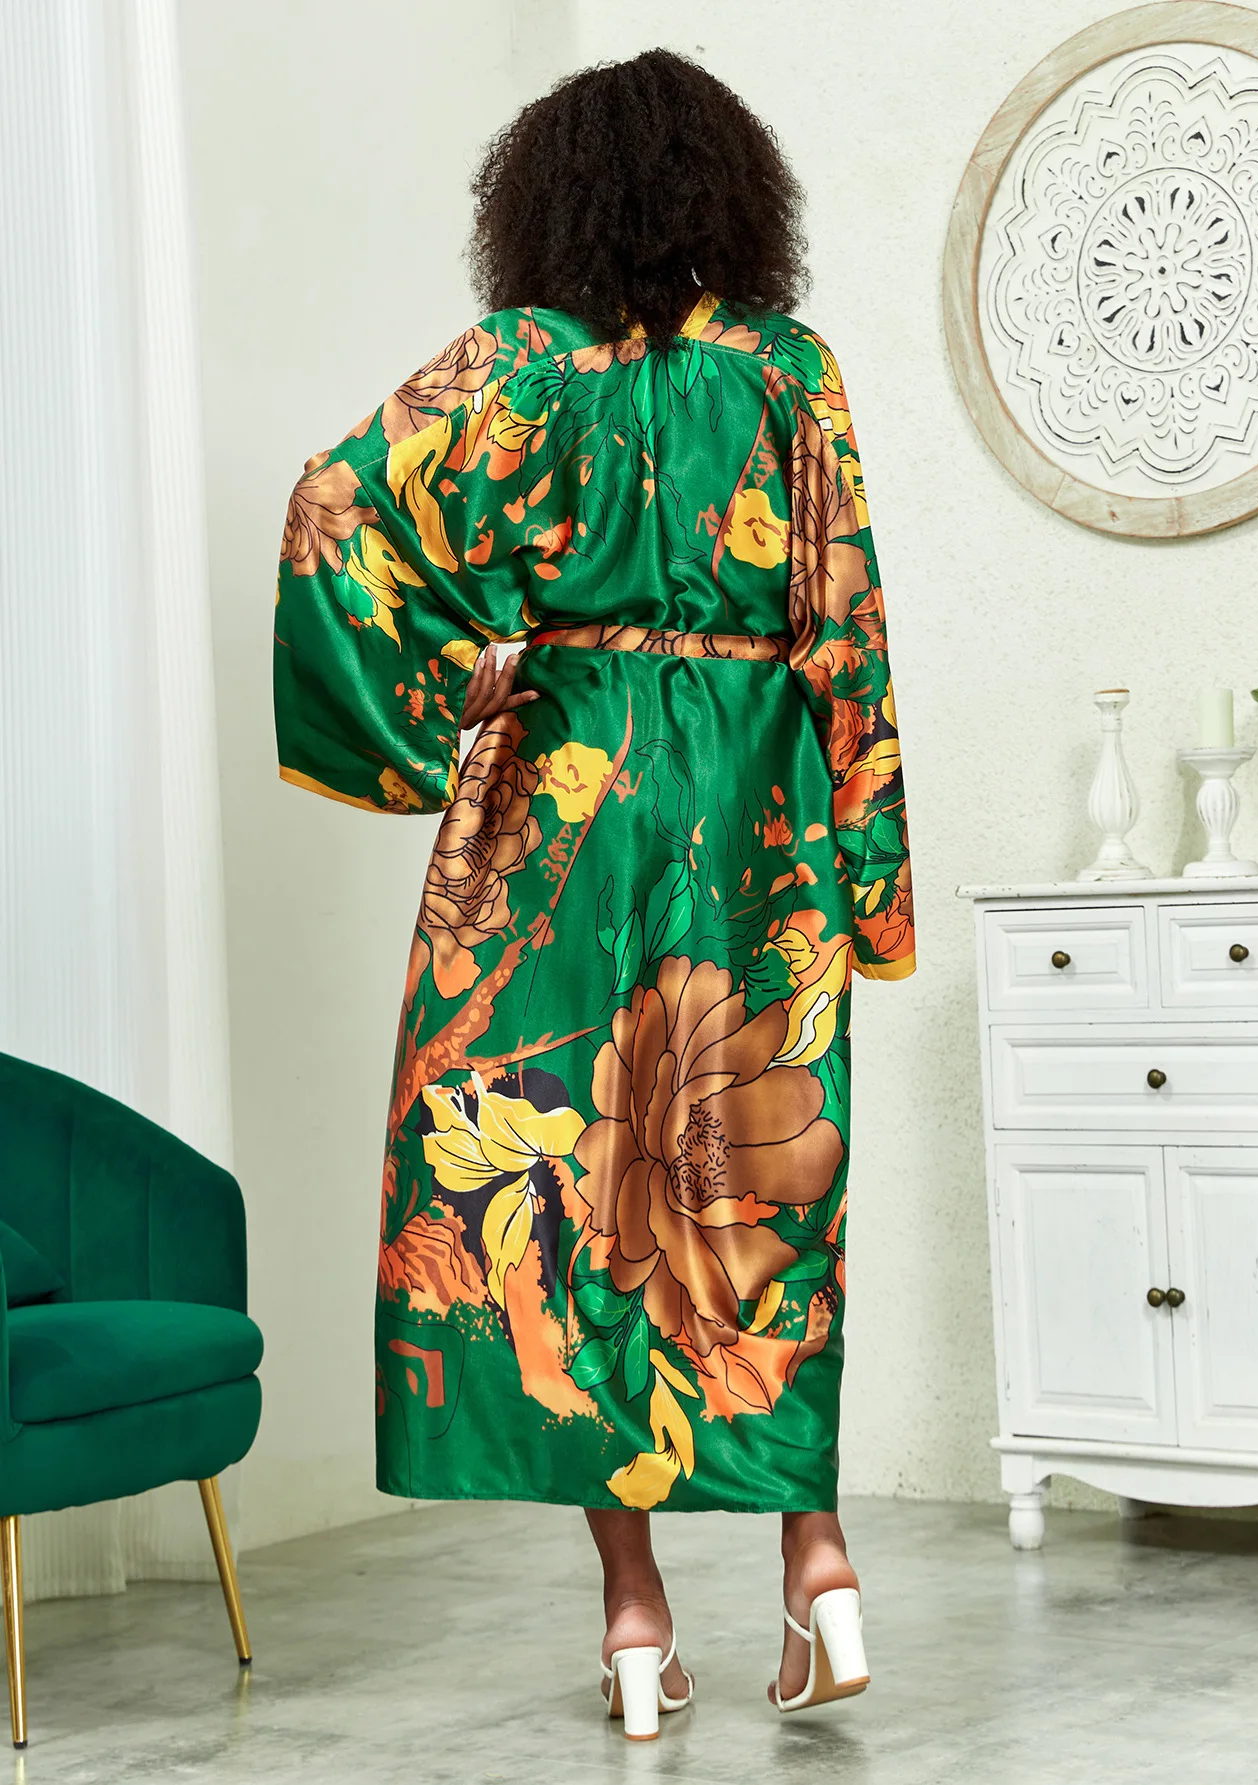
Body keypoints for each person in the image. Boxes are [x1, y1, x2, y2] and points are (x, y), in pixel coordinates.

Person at [273, 47, 913, 1738]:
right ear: (733, 192)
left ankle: (634, 1619)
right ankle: (820, 1562)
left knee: (566, 1181)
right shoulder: (790, 370)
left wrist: (456, 680)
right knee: (751, 1182)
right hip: (752, 804)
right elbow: (845, 625)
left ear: (546, 197)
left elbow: (336, 507)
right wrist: (869, 876)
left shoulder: (511, 366)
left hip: (556, 803)